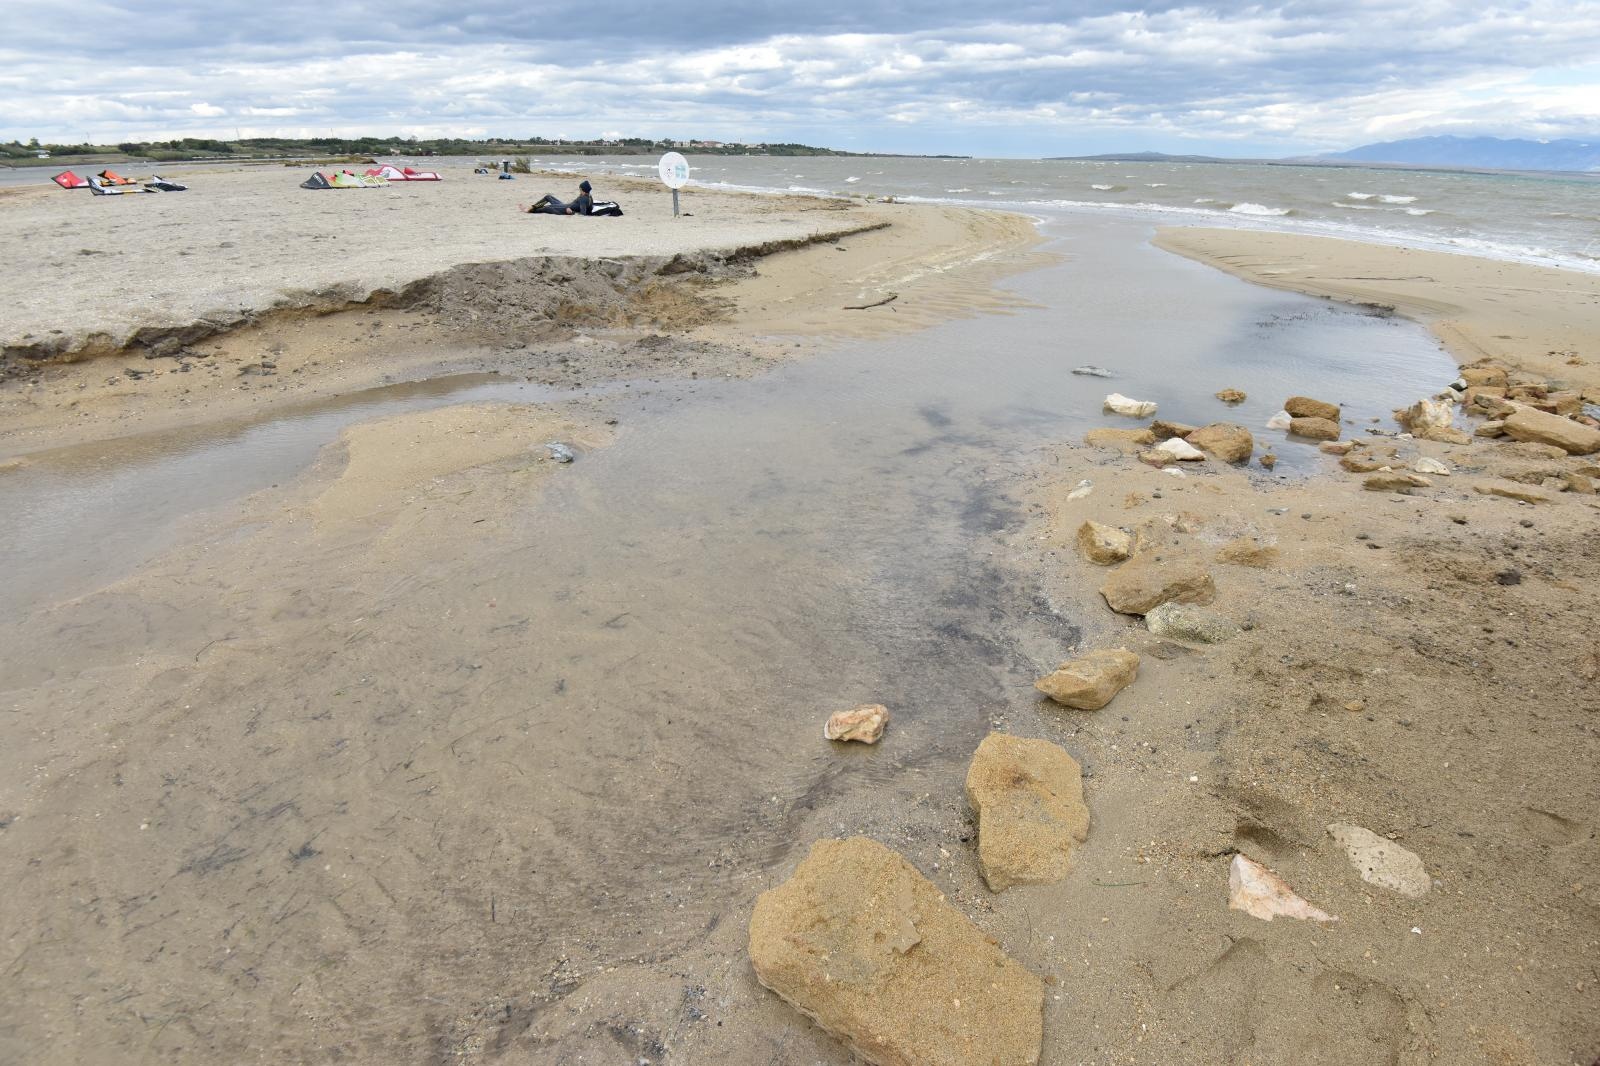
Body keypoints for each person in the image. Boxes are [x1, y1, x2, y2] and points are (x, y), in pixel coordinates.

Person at [525, 179, 594, 215]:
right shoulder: (588, 196)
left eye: (580, 189)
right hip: (564, 205)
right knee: (548, 197)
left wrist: (571, 212)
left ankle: (530, 210)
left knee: (547, 208)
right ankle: (532, 207)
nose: (579, 190)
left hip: (564, 210)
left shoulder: (583, 199)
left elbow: (583, 214)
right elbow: (589, 208)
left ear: (583, 190)